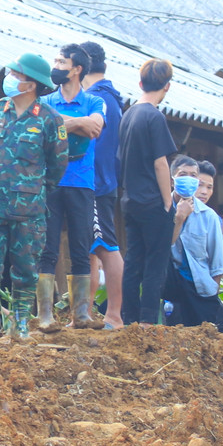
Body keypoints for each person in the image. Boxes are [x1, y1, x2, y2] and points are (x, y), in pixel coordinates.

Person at [0, 53, 67, 339]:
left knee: (25, 268)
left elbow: (57, 164)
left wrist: (32, 187)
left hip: (29, 207)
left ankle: (21, 324)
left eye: (16, 74)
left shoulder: (50, 119)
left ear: (31, 84)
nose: (9, 78)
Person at [37, 44, 106, 332]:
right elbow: (42, 127)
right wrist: (78, 124)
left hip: (81, 182)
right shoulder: (44, 100)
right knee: (47, 248)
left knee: (81, 247)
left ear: (77, 69)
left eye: (61, 61)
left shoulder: (94, 101)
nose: (56, 65)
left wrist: (62, 122)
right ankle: (44, 315)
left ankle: (81, 314)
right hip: (50, 181)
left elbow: (96, 128)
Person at [116, 59, 177, 325]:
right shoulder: (154, 116)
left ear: (140, 84)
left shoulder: (128, 114)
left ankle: (129, 317)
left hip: (130, 199)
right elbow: (160, 163)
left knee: (133, 260)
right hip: (153, 200)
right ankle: (149, 320)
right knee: (155, 263)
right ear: (167, 86)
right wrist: (168, 202)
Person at [80, 41, 126, 329]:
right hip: (99, 179)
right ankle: (86, 312)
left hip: (96, 181)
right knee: (90, 248)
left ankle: (115, 314)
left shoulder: (99, 99)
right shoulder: (109, 97)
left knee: (106, 245)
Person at [165, 159, 223, 332]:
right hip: (170, 281)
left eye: (193, 176)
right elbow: (161, 249)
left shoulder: (209, 216)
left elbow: (217, 263)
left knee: (213, 328)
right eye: (182, 175)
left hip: (198, 285)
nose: (188, 179)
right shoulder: (161, 209)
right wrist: (179, 220)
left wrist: (212, 291)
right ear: (172, 180)